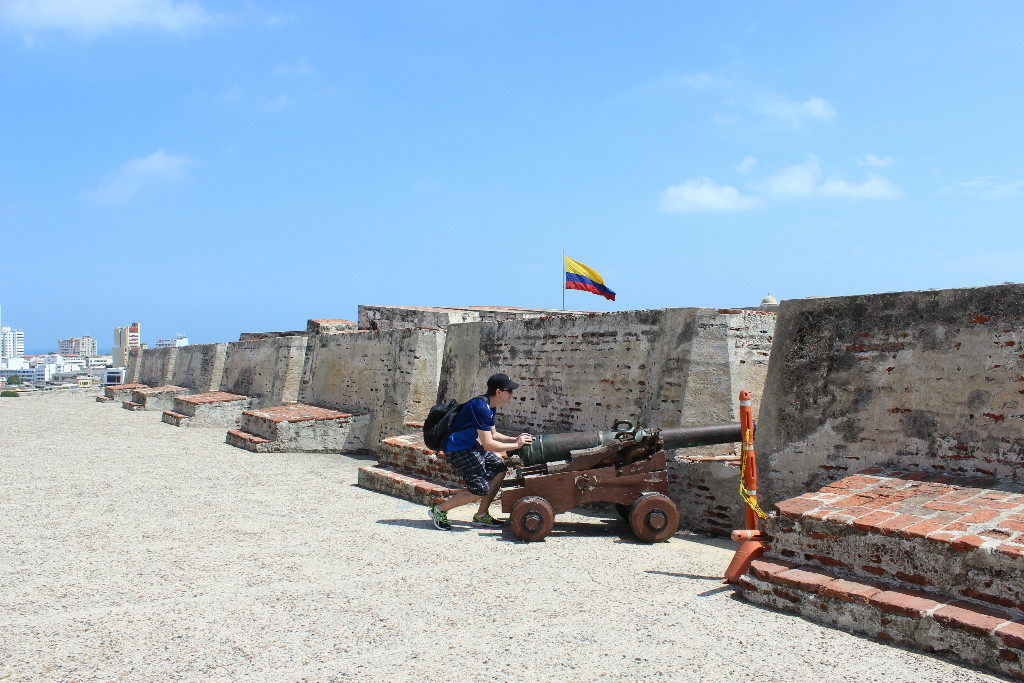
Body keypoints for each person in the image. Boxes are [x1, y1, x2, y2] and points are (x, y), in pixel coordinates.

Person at [428, 373, 533, 530]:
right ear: (499, 391)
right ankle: (439, 510)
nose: (512, 393)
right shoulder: (481, 407)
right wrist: (516, 446)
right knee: (479, 490)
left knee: (499, 467)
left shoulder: (490, 406)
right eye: (510, 390)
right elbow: (488, 444)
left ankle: (481, 515)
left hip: (469, 445)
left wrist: (515, 439)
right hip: (457, 448)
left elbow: (494, 434)